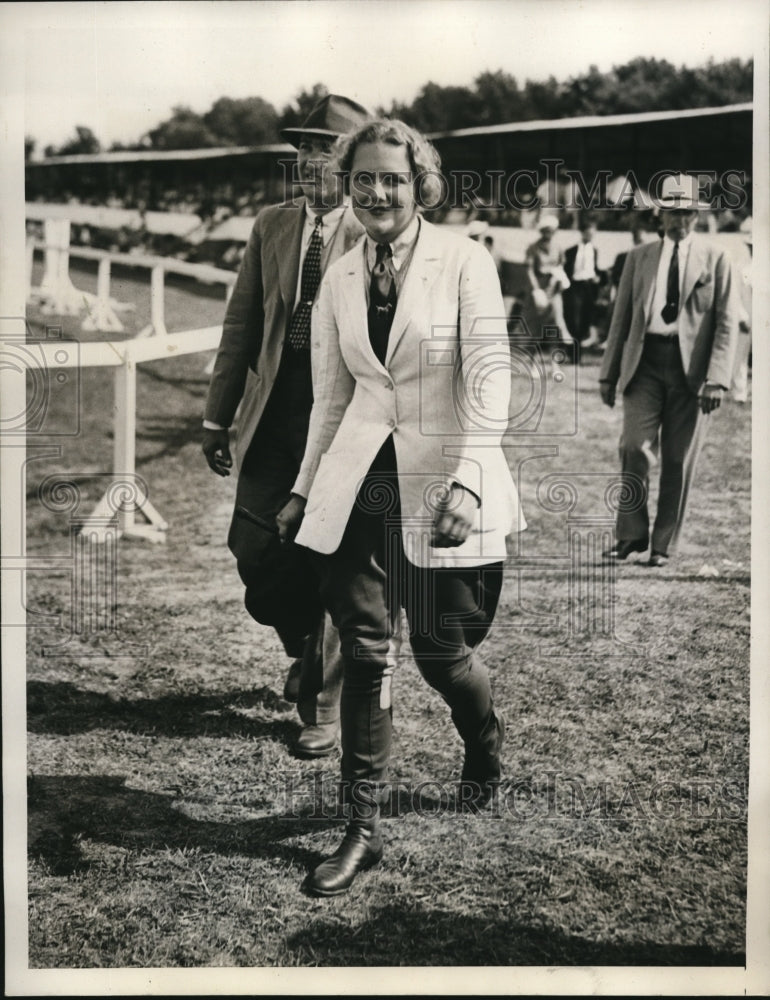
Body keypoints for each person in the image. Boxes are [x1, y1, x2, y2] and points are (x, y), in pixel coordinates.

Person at [277, 119, 525, 896]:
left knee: (444, 653)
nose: (376, 193)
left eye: (392, 178)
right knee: (365, 649)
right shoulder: (342, 274)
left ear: (420, 183)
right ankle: (361, 826)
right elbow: (332, 396)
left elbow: (489, 380)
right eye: (363, 180)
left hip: (446, 480)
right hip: (359, 489)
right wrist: (302, 488)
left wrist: (471, 480)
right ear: (346, 187)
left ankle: (483, 744)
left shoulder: (464, 261)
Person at [202, 94, 370, 757]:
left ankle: (320, 707)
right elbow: (241, 323)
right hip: (272, 415)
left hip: (344, 419)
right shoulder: (272, 225)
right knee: (255, 552)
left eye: (322, 151)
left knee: (327, 558)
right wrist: (218, 415)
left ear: (352, 163)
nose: (306, 163)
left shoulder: (373, 232)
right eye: (301, 150)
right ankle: (306, 648)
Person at [599, 174, 739, 567]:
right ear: (660, 215)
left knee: (679, 459)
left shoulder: (717, 258)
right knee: (632, 447)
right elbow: (620, 319)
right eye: (674, 212)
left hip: (692, 374)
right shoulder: (638, 258)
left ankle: (663, 544)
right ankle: (630, 536)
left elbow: (727, 322)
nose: (682, 221)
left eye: (689, 213)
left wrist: (717, 378)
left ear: (699, 215)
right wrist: (608, 373)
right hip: (643, 365)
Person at [523, 216, 573, 347]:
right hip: (538, 287)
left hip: (553, 286)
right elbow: (530, 270)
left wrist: (557, 279)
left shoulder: (558, 247)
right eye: (546, 231)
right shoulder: (533, 247)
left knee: (555, 321)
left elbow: (560, 266)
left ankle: (554, 362)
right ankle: (532, 363)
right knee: (536, 326)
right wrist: (536, 290)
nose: (548, 234)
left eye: (551, 231)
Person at [563, 220, 603, 355]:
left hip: (589, 287)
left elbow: (595, 269)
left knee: (586, 318)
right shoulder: (571, 251)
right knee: (574, 318)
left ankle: (578, 350)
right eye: (587, 233)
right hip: (575, 286)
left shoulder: (595, 251)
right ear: (582, 233)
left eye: (592, 234)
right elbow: (567, 269)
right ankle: (572, 350)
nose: (589, 236)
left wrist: (597, 278)